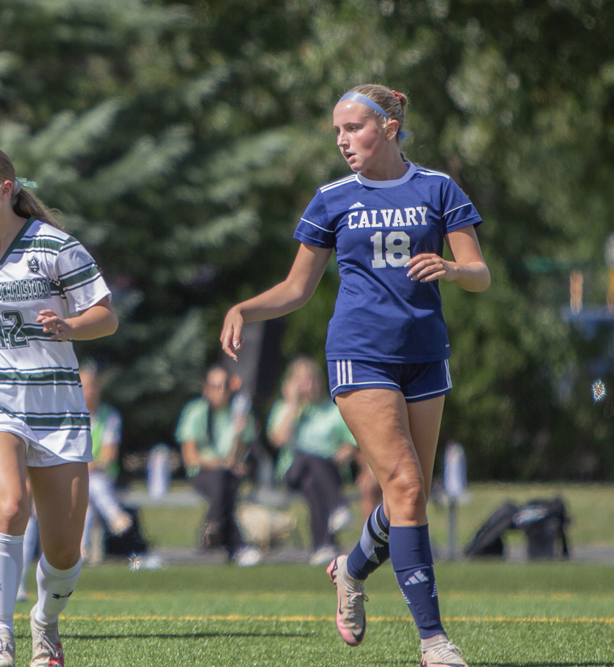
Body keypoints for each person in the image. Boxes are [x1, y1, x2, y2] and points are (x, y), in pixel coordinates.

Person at [219, 84, 489, 667]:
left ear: (389, 128)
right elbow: (297, 289)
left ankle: (351, 568)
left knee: (406, 496)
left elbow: (479, 273)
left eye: (354, 128)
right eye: (337, 131)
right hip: (360, 353)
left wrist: (451, 269)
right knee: (407, 488)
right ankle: (434, 642)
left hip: (426, 354)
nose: (343, 141)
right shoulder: (332, 198)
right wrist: (244, 308)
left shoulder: (438, 188)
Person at [0, 145, 119, 667]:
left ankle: (45, 622)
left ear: (6, 189)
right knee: (10, 506)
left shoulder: (56, 246)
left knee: (64, 550)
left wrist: (70, 326)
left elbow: (106, 317)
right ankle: (0, 639)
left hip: (55, 403)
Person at [267, 356, 357, 566]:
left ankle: (323, 546)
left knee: (312, 482)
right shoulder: (284, 408)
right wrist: (293, 405)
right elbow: (278, 440)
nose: (308, 386)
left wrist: (345, 452)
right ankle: (337, 507)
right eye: (302, 381)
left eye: (311, 380)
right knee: (308, 457)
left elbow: (352, 442)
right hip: (292, 470)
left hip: (329, 473)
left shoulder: (333, 410)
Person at [175, 364, 261, 566]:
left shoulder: (239, 414)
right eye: (215, 386)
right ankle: (235, 545)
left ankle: (213, 530)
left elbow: (237, 458)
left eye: (224, 386)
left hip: (228, 474)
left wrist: (239, 433)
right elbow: (190, 457)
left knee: (226, 480)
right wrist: (222, 463)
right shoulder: (195, 411)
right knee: (224, 480)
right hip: (202, 473)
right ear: (206, 389)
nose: (220, 391)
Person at [79, 362, 133, 563]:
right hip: (76, 476)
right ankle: (115, 516)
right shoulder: (69, 416)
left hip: (101, 473)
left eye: (93, 386)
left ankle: (80, 549)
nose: (89, 391)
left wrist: (90, 466)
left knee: (91, 489)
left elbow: (109, 455)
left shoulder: (109, 416)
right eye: (85, 387)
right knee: (89, 493)